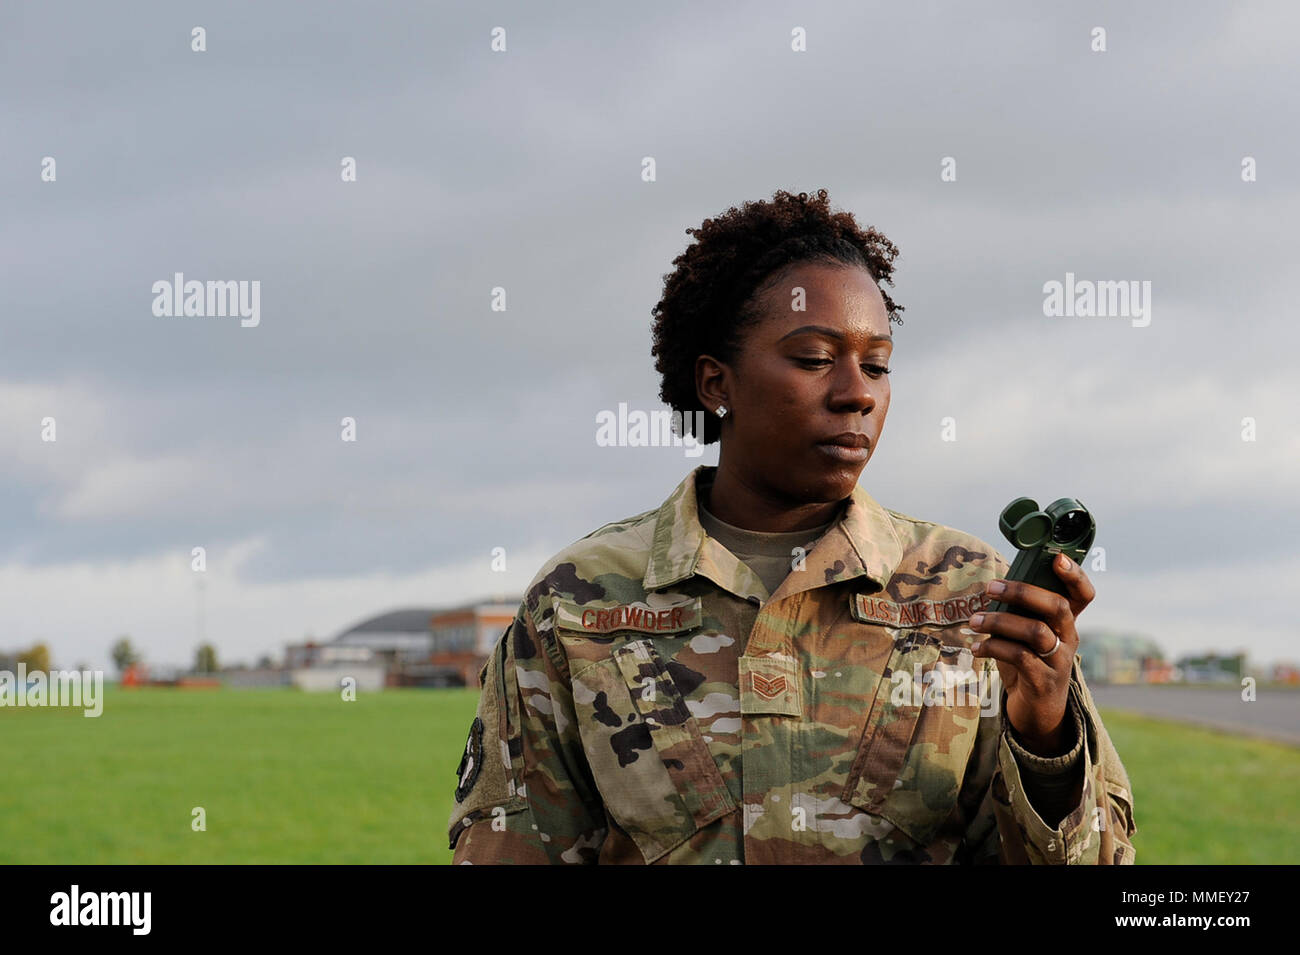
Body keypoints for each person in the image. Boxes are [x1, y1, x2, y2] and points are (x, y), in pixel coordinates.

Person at [447, 188, 1137, 864]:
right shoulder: (580, 601)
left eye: (877, 364)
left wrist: (1044, 732)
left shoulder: (971, 592)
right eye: (814, 359)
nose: (857, 392)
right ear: (717, 384)